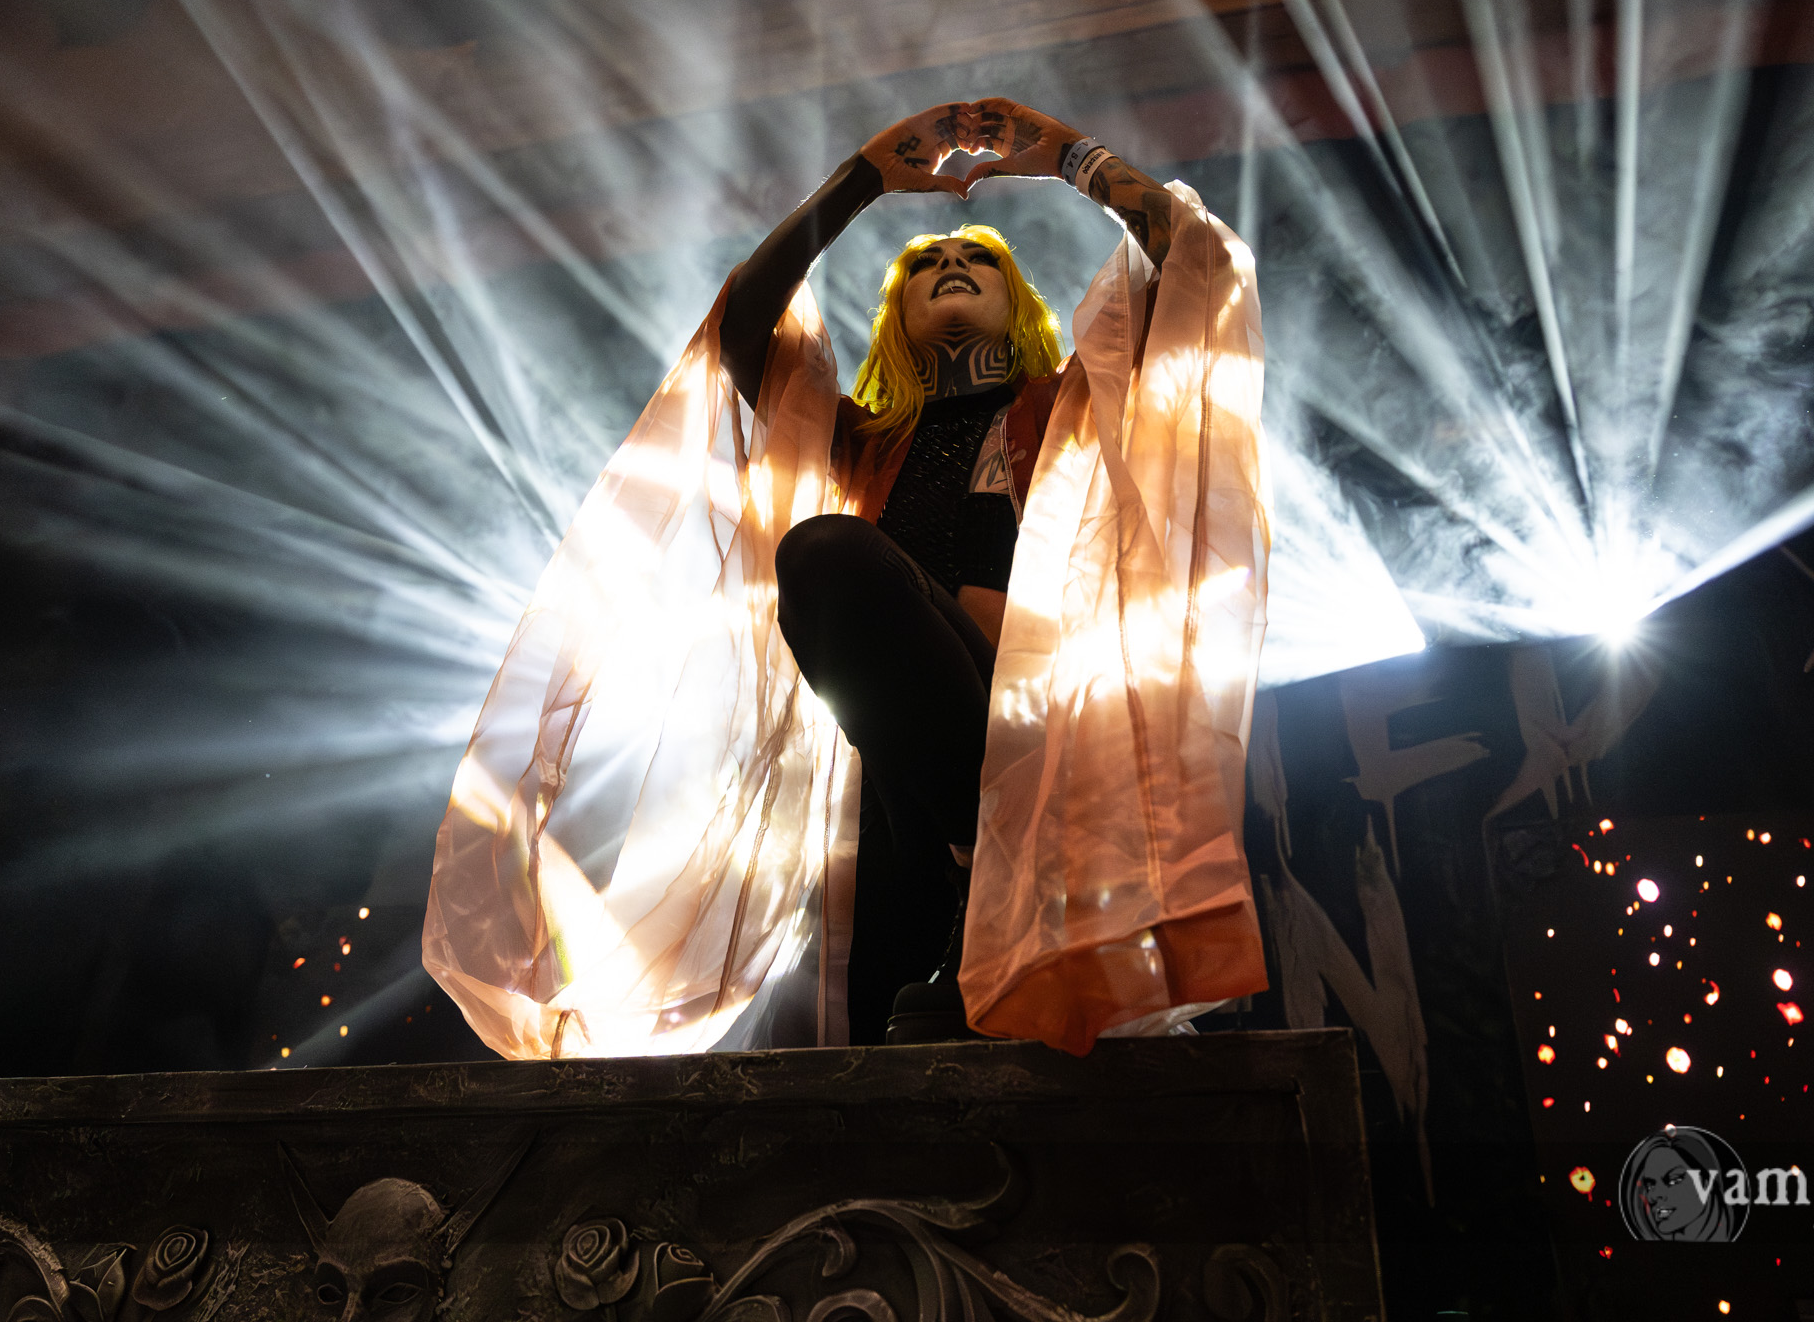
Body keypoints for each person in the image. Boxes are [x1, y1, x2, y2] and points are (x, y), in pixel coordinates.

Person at [424, 97, 1270, 1060]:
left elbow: (1194, 262)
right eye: (926, 265)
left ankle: (986, 869)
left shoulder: (1073, 408)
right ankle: (966, 861)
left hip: (1038, 743)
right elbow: (742, 329)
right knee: (824, 556)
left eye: (977, 258)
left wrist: (1067, 155)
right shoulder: (856, 444)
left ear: (1019, 305)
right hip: (898, 783)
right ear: (896, 317)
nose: (951, 261)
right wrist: (863, 178)